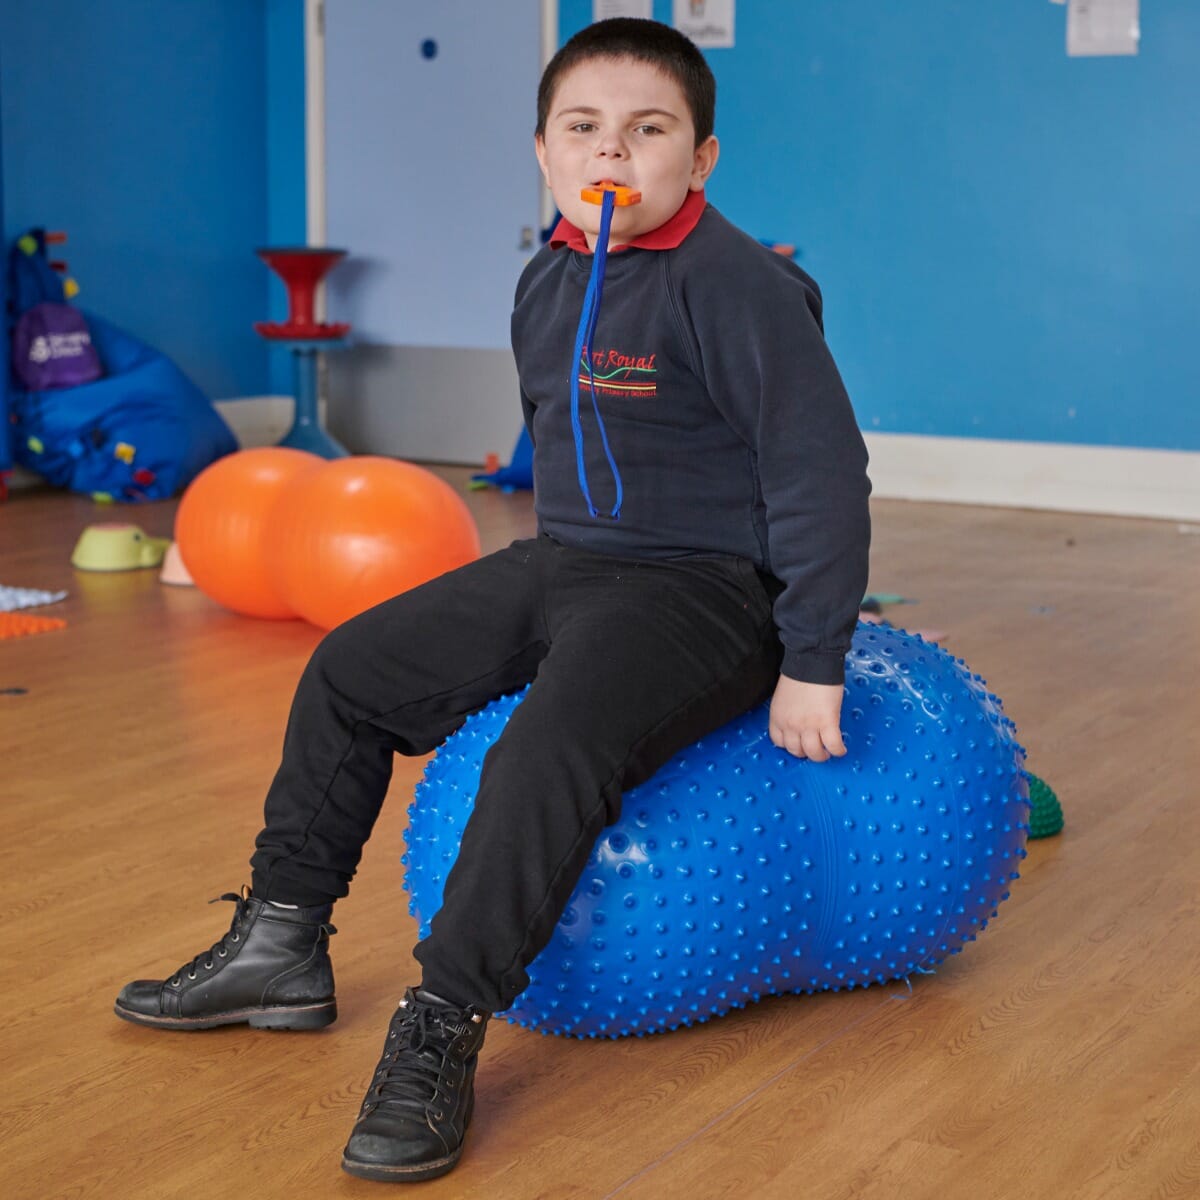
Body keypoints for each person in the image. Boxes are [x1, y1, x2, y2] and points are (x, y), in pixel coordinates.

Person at [113, 17, 871, 1185]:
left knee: (545, 747)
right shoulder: (550, 274)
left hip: (710, 588)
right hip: (570, 561)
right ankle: (280, 943)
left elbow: (820, 474)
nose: (611, 151)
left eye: (647, 129)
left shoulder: (741, 287)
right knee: (351, 672)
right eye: (584, 127)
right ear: (543, 149)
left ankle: (442, 1022)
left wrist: (813, 655)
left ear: (701, 157)